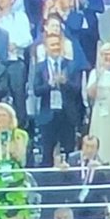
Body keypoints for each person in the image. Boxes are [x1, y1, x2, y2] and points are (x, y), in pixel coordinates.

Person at [32, 34, 83, 166]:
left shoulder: (71, 65)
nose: (55, 47)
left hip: (67, 114)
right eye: (52, 45)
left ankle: (69, 181)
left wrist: (64, 82)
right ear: (46, 48)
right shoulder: (40, 67)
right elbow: (36, 90)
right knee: (47, 152)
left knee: (69, 151)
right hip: (48, 115)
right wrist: (50, 84)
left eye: (57, 44)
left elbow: (77, 89)